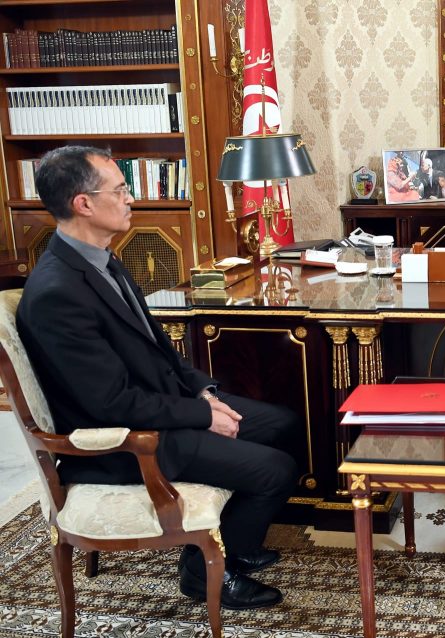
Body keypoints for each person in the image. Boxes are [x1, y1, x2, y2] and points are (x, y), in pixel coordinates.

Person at [16, 146, 300, 611]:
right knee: (276, 470)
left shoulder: (100, 259)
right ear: (83, 204)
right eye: (119, 190)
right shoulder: (56, 293)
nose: (130, 199)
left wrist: (203, 392)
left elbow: (159, 349)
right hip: (122, 442)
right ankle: (202, 572)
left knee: (283, 423)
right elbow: (110, 403)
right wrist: (203, 417)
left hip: (157, 408)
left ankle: (236, 541)